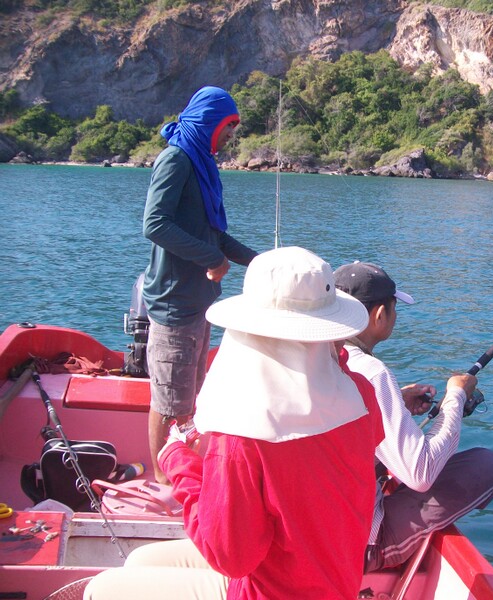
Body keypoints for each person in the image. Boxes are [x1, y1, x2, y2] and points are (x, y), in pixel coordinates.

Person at [84, 246, 384, 600]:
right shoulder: (361, 394)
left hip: (269, 591)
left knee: (102, 589)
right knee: (138, 561)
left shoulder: (243, 435)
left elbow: (231, 557)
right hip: (336, 583)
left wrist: (179, 462)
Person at [332, 261, 493, 571]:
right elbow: (420, 474)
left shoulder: (319, 357)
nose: (396, 318)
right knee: (485, 465)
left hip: (308, 534)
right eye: (394, 309)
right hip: (353, 547)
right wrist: (456, 395)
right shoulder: (371, 372)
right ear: (380, 315)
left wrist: (396, 400)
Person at [142, 85, 258, 484]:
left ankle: (180, 470)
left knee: (188, 397)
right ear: (210, 123)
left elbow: (215, 235)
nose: (231, 135)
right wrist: (213, 260)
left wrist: (260, 262)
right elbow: (154, 224)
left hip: (199, 302)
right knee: (169, 399)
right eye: (228, 126)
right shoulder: (176, 160)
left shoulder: (203, 164)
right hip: (175, 303)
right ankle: (161, 480)